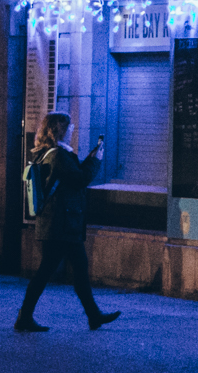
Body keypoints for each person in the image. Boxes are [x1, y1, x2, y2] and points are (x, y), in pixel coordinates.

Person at [15, 113, 124, 332]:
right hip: (62, 223)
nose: (73, 130)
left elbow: (71, 177)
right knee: (50, 271)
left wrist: (89, 158)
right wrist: (96, 161)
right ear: (58, 130)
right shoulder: (58, 156)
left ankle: (93, 316)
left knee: (74, 269)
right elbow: (80, 180)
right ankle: (25, 317)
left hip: (59, 222)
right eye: (69, 126)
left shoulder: (48, 153)